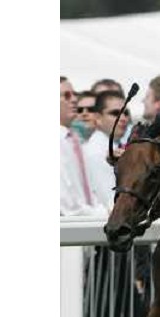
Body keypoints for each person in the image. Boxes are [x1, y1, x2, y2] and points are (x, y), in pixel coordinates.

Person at [60, 77, 103, 217]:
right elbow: (65, 205)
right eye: (66, 95)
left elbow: (90, 191)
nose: (74, 100)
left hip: (87, 223)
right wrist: (103, 213)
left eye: (74, 94)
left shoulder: (74, 140)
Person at [83, 90, 130, 214]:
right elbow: (113, 204)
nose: (123, 118)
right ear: (98, 118)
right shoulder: (97, 151)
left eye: (126, 113)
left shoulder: (110, 145)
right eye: (115, 113)